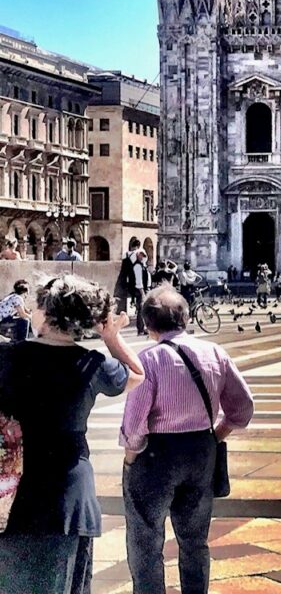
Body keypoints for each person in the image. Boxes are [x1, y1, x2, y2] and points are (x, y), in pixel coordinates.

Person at [0, 274, 143, 594]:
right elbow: (137, 374)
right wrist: (110, 336)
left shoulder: (8, 358)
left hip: (13, 495)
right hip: (71, 499)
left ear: (44, 313)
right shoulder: (92, 363)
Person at [121, 286, 254, 594]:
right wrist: (217, 434)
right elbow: (243, 406)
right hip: (201, 452)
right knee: (195, 540)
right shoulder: (214, 352)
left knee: (145, 538)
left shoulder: (148, 360)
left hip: (157, 455)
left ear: (149, 324)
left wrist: (131, 456)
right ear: (185, 317)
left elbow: (135, 421)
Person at [115, 238, 141, 315]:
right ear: (138, 246)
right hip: (134, 276)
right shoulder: (137, 254)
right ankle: (136, 306)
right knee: (137, 294)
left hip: (125, 277)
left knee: (126, 295)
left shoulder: (125, 254)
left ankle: (128, 306)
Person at [129, 248, 152, 335]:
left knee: (144, 310)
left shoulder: (142, 265)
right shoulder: (138, 266)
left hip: (145, 289)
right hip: (141, 290)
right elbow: (139, 281)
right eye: (141, 255)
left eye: (143, 255)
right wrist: (142, 293)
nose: (143, 256)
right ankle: (141, 329)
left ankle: (143, 328)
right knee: (141, 310)